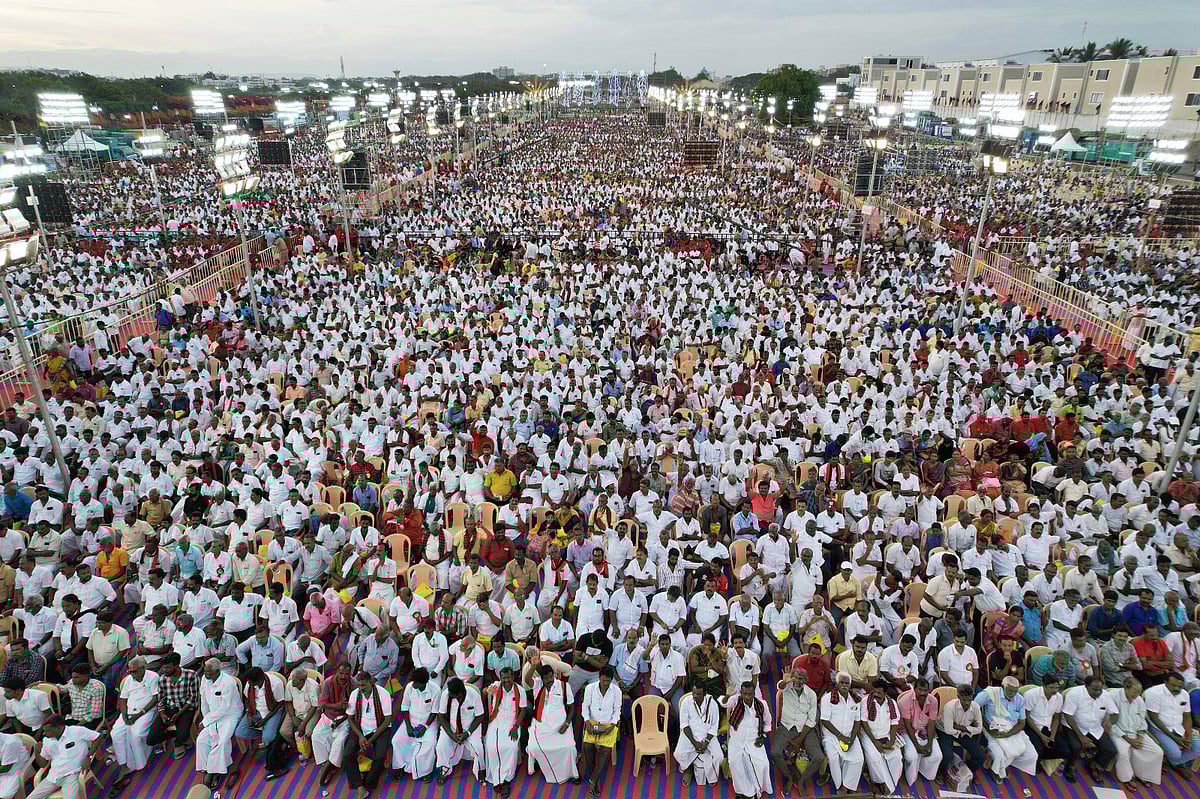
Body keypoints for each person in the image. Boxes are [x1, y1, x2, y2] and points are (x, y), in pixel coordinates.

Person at [108, 656, 159, 796]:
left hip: (146, 711)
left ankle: (139, 763)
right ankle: (124, 764)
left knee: (136, 735)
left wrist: (139, 715)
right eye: (130, 671)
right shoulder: (129, 680)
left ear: (143, 668)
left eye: (134, 671)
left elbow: (155, 698)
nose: (131, 674)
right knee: (116, 734)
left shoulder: (153, 677)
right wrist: (124, 715)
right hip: (129, 712)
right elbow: (123, 699)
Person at [771, 666, 828, 793]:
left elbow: (812, 719)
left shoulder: (811, 694)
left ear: (806, 680)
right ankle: (789, 777)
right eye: (795, 677)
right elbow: (780, 686)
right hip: (787, 726)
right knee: (775, 752)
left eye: (801, 678)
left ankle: (801, 780)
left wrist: (799, 740)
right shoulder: (787, 687)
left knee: (818, 757)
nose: (797, 680)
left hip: (805, 729)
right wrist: (786, 680)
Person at [195, 657, 244, 792]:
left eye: (208, 671)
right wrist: (206, 720)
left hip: (230, 715)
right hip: (212, 717)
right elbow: (203, 700)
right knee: (202, 740)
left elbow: (224, 708)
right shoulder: (205, 679)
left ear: (217, 671)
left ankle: (215, 772)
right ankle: (207, 769)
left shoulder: (228, 683)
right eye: (204, 670)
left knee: (222, 742)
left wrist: (206, 722)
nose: (205, 674)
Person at [974, 676, 1038, 780]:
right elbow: (974, 709)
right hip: (992, 728)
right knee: (1000, 755)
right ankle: (996, 768)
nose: (1012, 694)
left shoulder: (1020, 699)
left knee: (1032, 755)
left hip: (1012, 730)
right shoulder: (990, 693)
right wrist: (988, 729)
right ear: (1002, 686)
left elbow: (1022, 723)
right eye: (1010, 690)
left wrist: (1008, 734)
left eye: (1015, 691)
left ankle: (1002, 763)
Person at [27, 715, 103, 799]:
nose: (44, 733)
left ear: (59, 728)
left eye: (47, 730)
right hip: (53, 777)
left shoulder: (76, 731)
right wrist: (37, 752)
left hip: (72, 775)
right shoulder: (47, 741)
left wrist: (89, 756)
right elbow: (43, 765)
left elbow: (98, 737)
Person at [343, 671, 392, 799]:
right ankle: (359, 787)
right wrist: (360, 736)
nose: (361, 689)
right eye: (359, 686)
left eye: (363, 685)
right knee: (348, 754)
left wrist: (370, 740)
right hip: (361, 729)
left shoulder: (383, 694)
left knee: (380, 757)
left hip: (380, 728)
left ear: (371, 682)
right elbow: (350, 718)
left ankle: (368, 783)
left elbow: (387, 720)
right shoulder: (355, 694)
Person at [1108, 676, 1164, 788]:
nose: (1137, 695)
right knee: (1123, 753)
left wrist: (1140, 737)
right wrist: (1128, 739)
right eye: (1135, 691)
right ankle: (1127, 779)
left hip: (1136, 732)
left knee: (1157, 752)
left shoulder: (1138, 700)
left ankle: (1144, 775)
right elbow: (1109, 723)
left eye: (1139, 692)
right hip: (1118, 733)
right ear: (1126, 687)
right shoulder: (1113, 697)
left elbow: (1142, 720)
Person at [527, 663, 578, 784]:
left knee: (569, 747)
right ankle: (542, 764)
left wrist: (566, 724)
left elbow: (571, 707)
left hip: (561, 725)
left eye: (551, 677)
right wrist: (534, 665)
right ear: (542, 678)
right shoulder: (538, 684)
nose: (549, 680)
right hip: (541, 724)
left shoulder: (564, 686)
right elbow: (526, 679)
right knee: (533, 747)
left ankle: (572, 773)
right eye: (546, 678)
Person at [1060, 675, 1118, 782]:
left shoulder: (1105, 695)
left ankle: (1093, 764)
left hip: (1095, 727)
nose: (1098, 693)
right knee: (1076, 746)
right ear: (1086, 686)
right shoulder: (1075, 694)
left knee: (1110, 750)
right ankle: (1070, 767)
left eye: (1100, 690)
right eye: (1094, 689)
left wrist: (1110, 722)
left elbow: (1115, 713)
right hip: (1073, 726)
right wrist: (1081, 736)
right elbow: (1068, 715)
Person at [390, 667, 440, 782]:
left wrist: (425, 727)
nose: (413, 684)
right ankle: (400, 766)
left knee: (431, 743)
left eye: (416, 682)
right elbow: (405, 707)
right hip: (410, 721)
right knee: (396, 740)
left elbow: (434, 712)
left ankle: (426, 771)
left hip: (428, 723)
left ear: (424, 683)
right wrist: (408, 726)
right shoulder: (410, 687)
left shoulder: (435, 690)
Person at [481, 666, 525, 796]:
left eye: (508, 677)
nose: (506, 680)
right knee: (491, 746)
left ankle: (506, 780)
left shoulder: (519, 690)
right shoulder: (496, 686)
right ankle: (496, 779)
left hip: (512, 722)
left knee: (510, 747)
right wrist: (487, 690)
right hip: (496, 721)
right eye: (504, 677)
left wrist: (516, 726)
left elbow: (522, 710)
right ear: (500, 678)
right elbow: (484, 691)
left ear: (513, 677)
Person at [1145, 671, 1200, 773]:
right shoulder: (1153, 693)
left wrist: (1188, 734)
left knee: (1198, 748)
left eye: (1179, 686)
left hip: (1178, 727)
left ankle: (1172, 762)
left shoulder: (1184, 694)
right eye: (1173, 685)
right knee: (1176, 753)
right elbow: (1154, 718)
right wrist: (1174, 738)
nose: (1176, 689)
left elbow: (1187, 716)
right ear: (1165, 682)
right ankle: (1174, 759)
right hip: (1158, 727)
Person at [725, 680, 772, 799]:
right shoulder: (735, 700)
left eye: (749, 694)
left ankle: (756, 790)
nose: (747, 697)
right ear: (741, 693)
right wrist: (728, 694)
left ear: (753, 694)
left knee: (763, 764)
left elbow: (768, 723)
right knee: (734, 763)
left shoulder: (762, 705)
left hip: (754, 740)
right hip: (736, 740)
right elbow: (724, 703)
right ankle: (745, 792)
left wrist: (763, 736)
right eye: (744, 694)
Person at [579, 666, 621, 796]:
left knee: (606, 750)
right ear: (599, 678)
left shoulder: (616, 691)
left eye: (608, 681)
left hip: (608, 724)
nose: (606, 684)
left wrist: (612, 725)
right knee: (587, 747)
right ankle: (595, 778)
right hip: (592, 722)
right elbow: (585, 707)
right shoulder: (590, 688)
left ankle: (593, 779)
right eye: (603, 681)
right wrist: (587, 721)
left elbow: (617, 711)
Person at [434, 677, 484, 785]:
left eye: (454, 696)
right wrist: (452, 735)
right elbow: (441, 716)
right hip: (451, 728)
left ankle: (480, 770)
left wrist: (468, 733)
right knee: (441, 746)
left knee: (478, 748)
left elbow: (480, 716)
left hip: (470, 728)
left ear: (460, 693)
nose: (451, 696)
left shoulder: (474, 694)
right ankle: (445, 770)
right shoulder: (446, 695)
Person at [820, 672, 865, 792]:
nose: (844, 685)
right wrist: (840, 736)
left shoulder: (855, 700)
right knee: (834, 758)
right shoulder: (827, 698)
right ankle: (839, 786)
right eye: (842, 682)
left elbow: (857, 721)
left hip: (850, 736)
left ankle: (847, 786)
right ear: (837, 683)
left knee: (859, 759)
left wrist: (852, 739)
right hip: (831, 736)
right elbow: (824, 721)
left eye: (847, 683)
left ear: (850, 685)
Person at [936, 683, 987, 786]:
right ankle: (941, 771)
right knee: (947, 755)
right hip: (944, 730)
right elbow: (949, 730)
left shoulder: (975, 707)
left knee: (980, 755)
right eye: (964, 700)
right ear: (958, 697)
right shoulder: (950, 706)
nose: (967, 703)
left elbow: (979, 729)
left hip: (962, 732)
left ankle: (968, 769)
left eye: (969, 700)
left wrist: (961, 728)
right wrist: (968, 729)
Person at [858, 679, 903, 792]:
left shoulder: (892, 703)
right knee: (875, 758)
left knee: (896, 757)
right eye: (874, 692)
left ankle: (892, 781)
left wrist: (892, 740)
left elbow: (894, 722)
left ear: (885, 694)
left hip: (886, 735)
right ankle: (880, 782)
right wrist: (875, 741)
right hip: (869, 735)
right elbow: (864, 722)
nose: (876, 695)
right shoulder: (865, 701)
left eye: (879, 693)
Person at [898, 678, 943, 787]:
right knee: (911, 756)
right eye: (920, 690)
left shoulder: (933, 701)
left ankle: (924, 771)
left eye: (925, 690)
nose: (922, 693)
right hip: (907, 731)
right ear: (915, 689)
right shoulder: (905, 701)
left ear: (929, 690)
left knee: (937, 755)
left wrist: (929, 744)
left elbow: (932, 723)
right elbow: (908, 725)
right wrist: (917, 745)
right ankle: (911, 777)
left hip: (924, 729)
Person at [675, 681, 722, 786]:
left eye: (698, 694)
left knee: (719, 757)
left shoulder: (713, 704)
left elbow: (714, 727)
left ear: (705, 694)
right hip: (690, 735)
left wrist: (706, 742)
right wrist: (694, 742)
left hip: (708, 736)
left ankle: (711, 775)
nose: (695, 696)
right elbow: (684, 725)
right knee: (678, 753)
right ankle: (688, 770)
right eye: (694, 693)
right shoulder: (686, 702)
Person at [0, 732, 32, 799]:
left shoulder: (10, 743)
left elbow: (6, 768)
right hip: (3, 768)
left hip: (14, 770)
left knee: (4, 795)